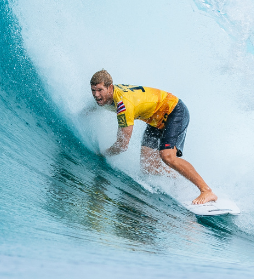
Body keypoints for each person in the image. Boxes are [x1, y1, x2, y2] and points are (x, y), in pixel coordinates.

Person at [89, 69, 217, 205]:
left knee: (167, 156)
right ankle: (179, 179)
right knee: (148, 167)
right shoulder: (110, 95)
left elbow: (122, 145)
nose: (96, 95)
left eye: (100, 90)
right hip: (155, 118)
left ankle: (206, 190)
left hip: (173, 111)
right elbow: (93, 106)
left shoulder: (123, 105)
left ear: (110, 87)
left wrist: (103, 154)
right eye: (93, 90)